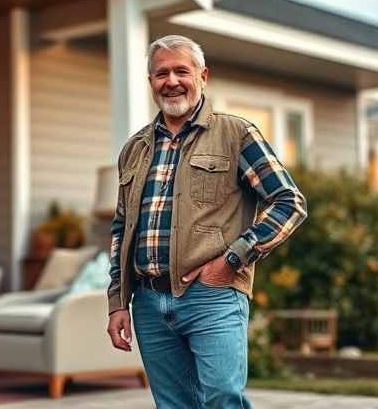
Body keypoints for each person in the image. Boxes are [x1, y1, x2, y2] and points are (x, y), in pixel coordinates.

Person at [106, 35, 307, 408]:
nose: (172, 81)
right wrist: (118, 301)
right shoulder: (134, 149)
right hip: (148, 303)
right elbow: (121, 229)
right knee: (174, 405)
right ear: (151, 81)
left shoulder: (237, 134)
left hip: (212, 296)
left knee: (222, 399)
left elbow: (289, 202)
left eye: (181, 70)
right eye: (161, 73)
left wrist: (232, 260)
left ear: (203, 76)